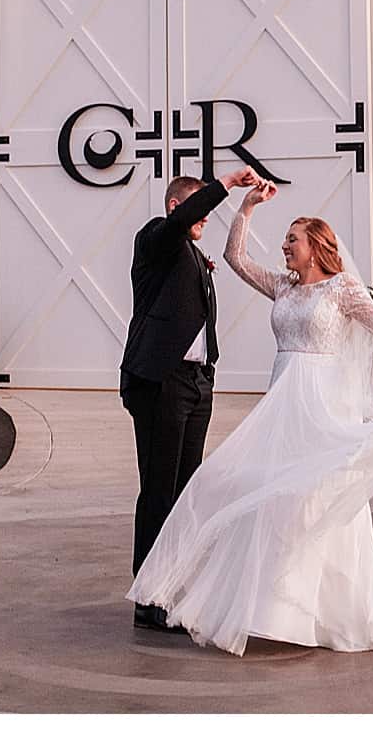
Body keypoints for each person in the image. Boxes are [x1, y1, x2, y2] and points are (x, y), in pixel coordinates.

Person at [128, 179, 373, 655]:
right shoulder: (283, 286)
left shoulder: (343, 291)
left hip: (319, 406)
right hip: (281, 403)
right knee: (268, 495)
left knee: (315, 497)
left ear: (316, 245)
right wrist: (246, 208)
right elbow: (237, 259)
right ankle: (265, 607)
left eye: (292, 239)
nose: (283, 246)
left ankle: (319, 610)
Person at [122, 167, 261, 629]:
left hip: (198, 382)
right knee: (159, 490)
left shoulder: (191, 255)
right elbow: (182, 224)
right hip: (162, 381)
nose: (205, 219)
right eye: (197, 209)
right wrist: (226, 184)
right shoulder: (155, 239)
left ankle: (172, 586)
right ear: (177, 207)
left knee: (185, 493)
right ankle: (148, 596)